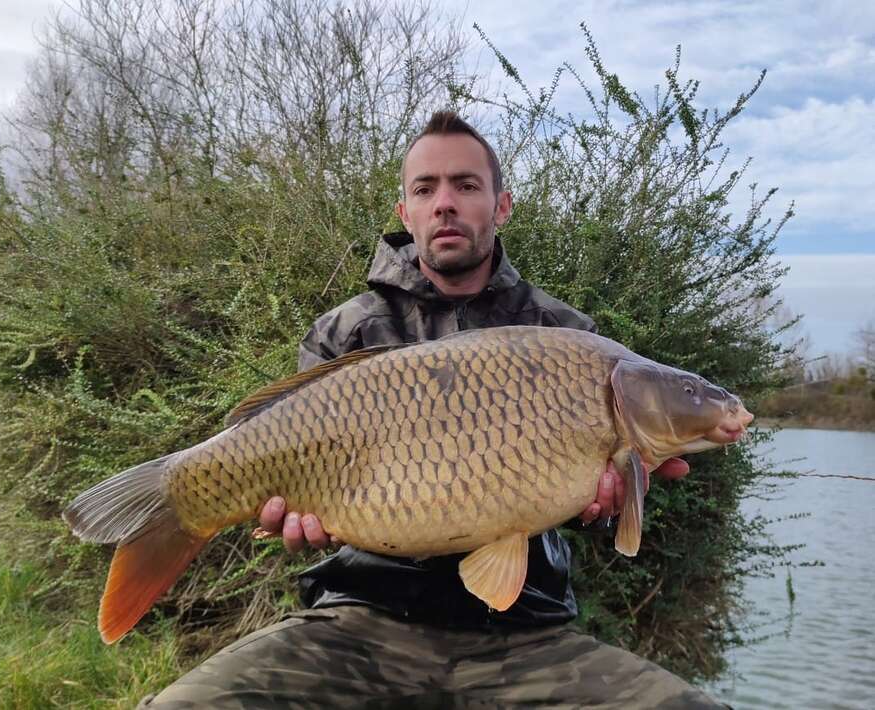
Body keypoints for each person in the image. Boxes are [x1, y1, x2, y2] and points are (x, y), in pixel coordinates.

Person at [143, 112, 726, 708]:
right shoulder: (345, 331)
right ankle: (175, 503)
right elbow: (298, 497)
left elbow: (595, 513)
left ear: (500, 206)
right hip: (359, 625)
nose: (444, 203)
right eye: (426, 189)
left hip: (527, 636)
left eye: (466, 185)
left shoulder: (566, 334)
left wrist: (606, 506)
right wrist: (293, 515)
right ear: (406, 213)